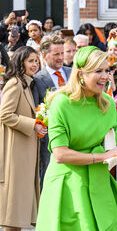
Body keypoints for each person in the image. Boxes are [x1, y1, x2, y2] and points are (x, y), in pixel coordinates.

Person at [35, 46, 117, 230]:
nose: (105, 76)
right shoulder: (61, 102)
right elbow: (60, 154)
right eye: (98, 71)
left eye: (106, 70)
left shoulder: (107, 104)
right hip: (67, 184)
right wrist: (102, 157)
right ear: (81, 73)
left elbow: (111, 149)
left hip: (99, 183)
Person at [0, 46, 45, 230]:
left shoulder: (25, 83)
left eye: (36, 61)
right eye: (30, 61)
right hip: (15, 154)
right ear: (20, 62)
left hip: (23, 153)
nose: (35, 64)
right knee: (14, 213)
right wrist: (32, 124)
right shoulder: (15, 84)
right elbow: (4, 114)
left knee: (18, 214)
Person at [31, 35, 71, 189]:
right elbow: (35, 109)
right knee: (49, 178)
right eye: (56, 54)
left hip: (74, 135)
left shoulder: (71, 72)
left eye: (62, 53)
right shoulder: (37, 79)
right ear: (44, 55)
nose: (61, 57)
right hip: (49, 139)